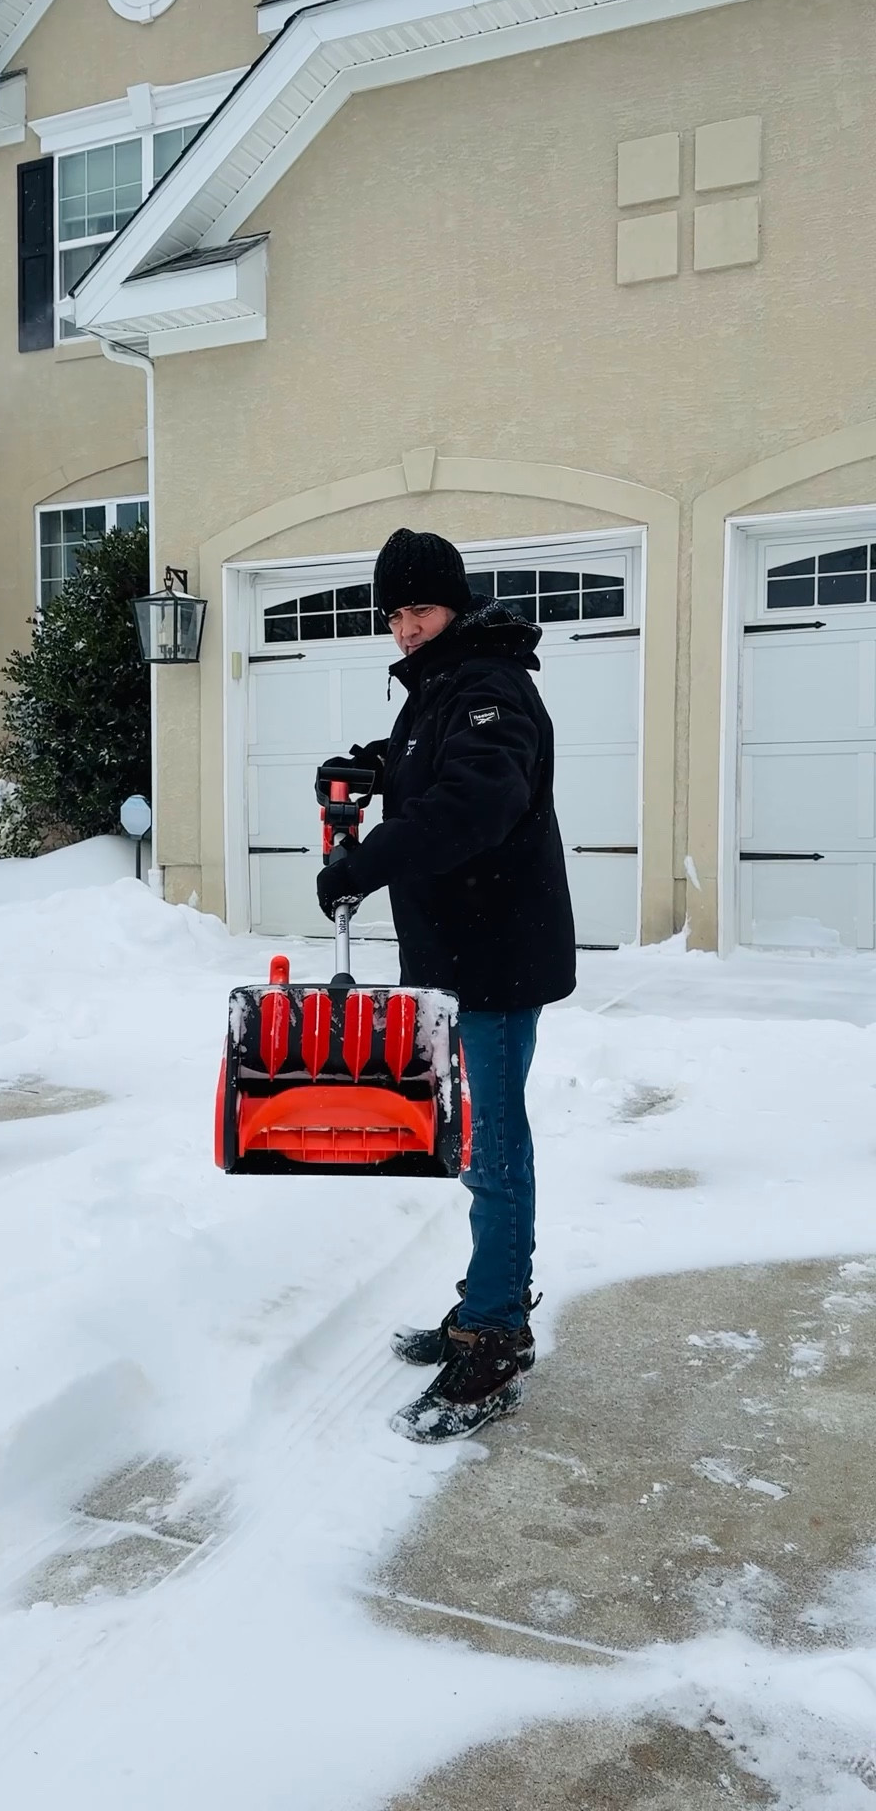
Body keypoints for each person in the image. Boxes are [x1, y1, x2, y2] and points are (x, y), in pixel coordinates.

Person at [316, 527, 576, 1443]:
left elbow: (477, 800)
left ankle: (497, 1337)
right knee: (477, 1143)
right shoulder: (444, 686)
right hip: (458, 959)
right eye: (394, 614)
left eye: (420, 610)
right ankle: (484, 1301)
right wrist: (371, 767)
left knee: (494, 1150)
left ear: (455, 607)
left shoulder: (489, 685)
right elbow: (431, 770)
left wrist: (364, 865)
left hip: (495, 959)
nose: (405, 630)